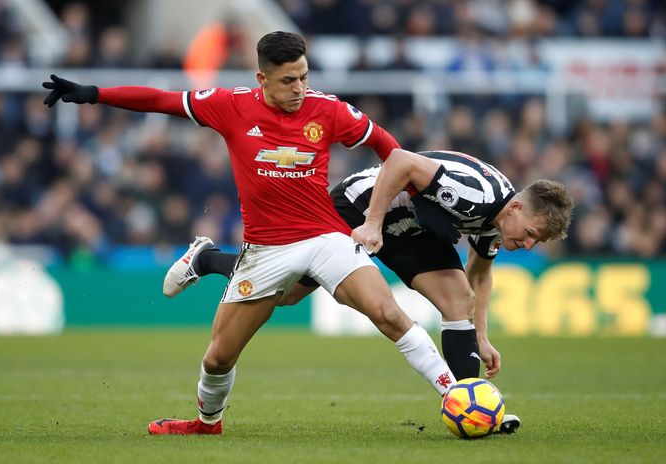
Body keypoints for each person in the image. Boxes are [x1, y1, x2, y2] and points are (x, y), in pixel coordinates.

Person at [43, 31, 459, 436]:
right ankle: (207, 423)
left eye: (304, 77)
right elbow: (160, 100)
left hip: (326, 238)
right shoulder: (229, 105)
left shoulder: (329, 110)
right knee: (219, 357)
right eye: (288, 80)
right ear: (262, 79)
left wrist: (411, 198)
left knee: (388, 314)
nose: (300, 88)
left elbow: (393, 151)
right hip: (266, 250)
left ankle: (456, 394)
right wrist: (95, 93)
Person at [164, 149, 573, 434]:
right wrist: (374, 222)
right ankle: (206, 258)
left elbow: (479, 276)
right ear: (518, 207)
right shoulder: (474, 194)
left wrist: (480, 336)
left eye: (537, 243)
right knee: (285, 295)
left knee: (458, 299)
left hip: (410, 228)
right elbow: (400, 161)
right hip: (359, 207)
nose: (530, 245)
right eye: (533, 235)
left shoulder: (494, 224)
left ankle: (471, 406)